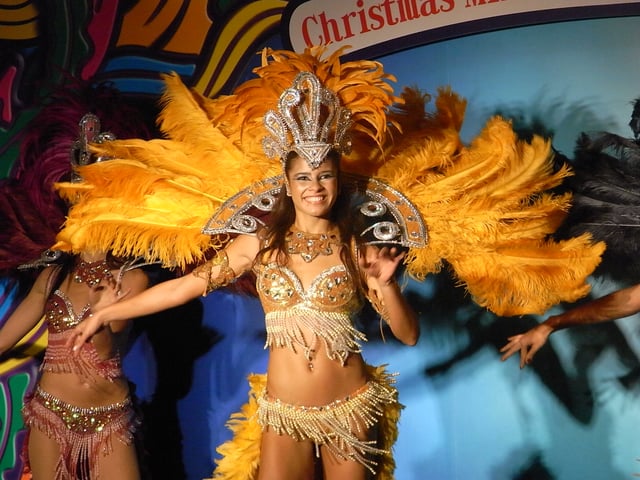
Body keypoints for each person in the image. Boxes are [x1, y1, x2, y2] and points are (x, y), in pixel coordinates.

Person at [66, 72, 420, 480]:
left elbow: (409, 334)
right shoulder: (259, 243)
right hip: (284, 414)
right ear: (287, 184)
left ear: (337, 182)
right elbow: (185, 287)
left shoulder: (358, 248)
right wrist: (105, 314)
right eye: (303, 176)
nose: (315, 186)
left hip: (351, 407)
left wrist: (387, 285)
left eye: (324, 175)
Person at [0, 251, 149, 479]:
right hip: (50, 414)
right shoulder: (53, 276)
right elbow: (3, 341)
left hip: (109, 418)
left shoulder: (131, 278)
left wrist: (100, 315)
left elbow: (106, 352)